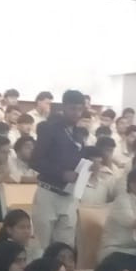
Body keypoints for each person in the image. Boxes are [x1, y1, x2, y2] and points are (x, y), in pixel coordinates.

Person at [30, 90, 88, 250]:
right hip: (48, 193)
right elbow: (35, 161)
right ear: (64, 107)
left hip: (70, 195)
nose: (76, 113)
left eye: (80, 109)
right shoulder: (49, 129)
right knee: (42, 247)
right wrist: (62, 174)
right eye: (72, 108)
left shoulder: (79, 133)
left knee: (65, 248)